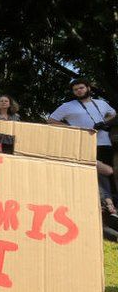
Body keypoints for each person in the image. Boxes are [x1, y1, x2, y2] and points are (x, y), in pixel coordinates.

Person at [48, 78, 117, 218]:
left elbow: (113, 114)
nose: (79, 91)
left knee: (111, 175)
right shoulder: (68, 105)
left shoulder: (101, 103)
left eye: (81, 88)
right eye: (76, 89)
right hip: (85, 144)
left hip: (106, 143)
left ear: (88, 88)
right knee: (98, 177)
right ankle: (108, 209)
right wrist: (74, 129)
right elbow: (51, 120)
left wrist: (105, 123)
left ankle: (112, 206)